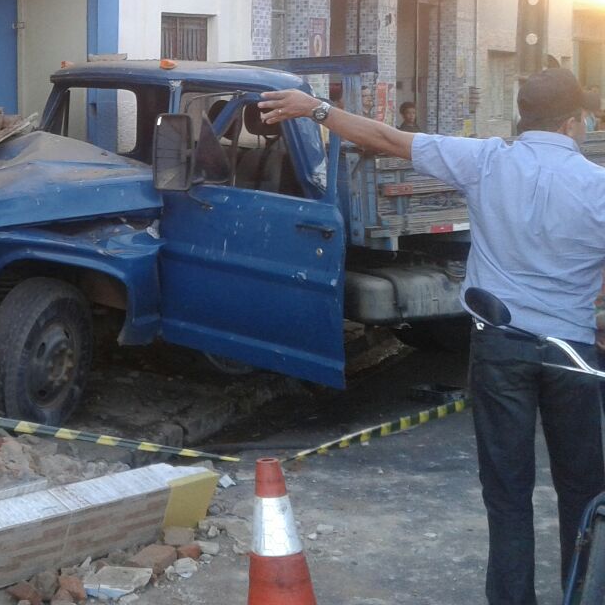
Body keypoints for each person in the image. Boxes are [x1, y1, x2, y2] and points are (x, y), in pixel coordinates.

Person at [259, 68, 605, 605]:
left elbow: (387, 139)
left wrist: (316, 110)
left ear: (524, 117)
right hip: (572, 354)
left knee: (508, 493)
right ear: (572, 120)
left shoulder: (486, 160)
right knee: (584, 491)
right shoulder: (597, 185)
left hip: (501, 347)